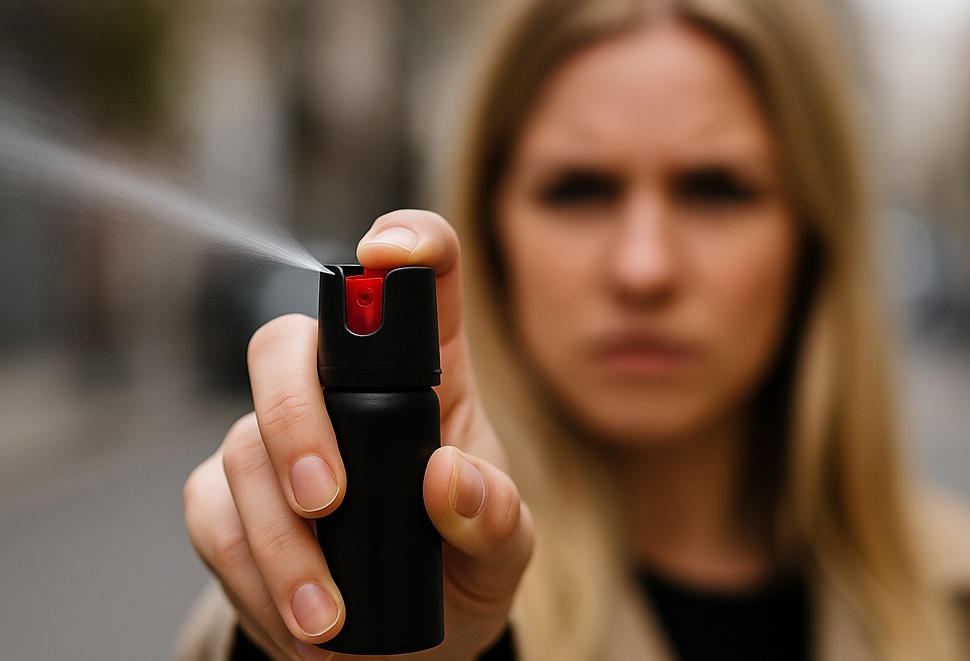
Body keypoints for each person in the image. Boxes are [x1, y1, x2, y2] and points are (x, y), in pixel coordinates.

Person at [178, 0, 970, 659]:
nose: (643, 267)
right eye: (578, 189)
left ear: (813, 233)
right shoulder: (432, 590)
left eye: (715, 189)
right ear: (493, 233)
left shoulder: (953, 603)